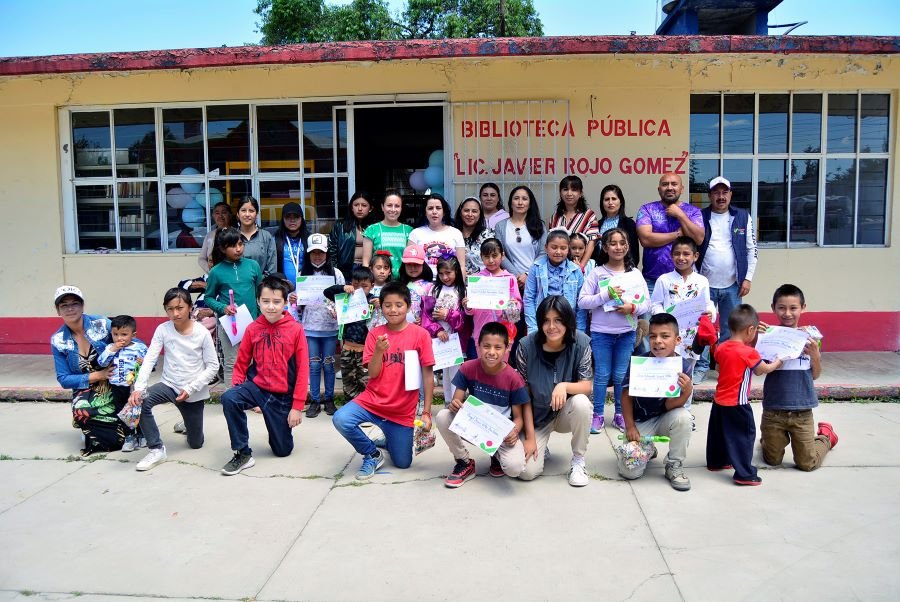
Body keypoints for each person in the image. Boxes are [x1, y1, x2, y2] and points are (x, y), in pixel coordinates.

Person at [332, 281, 436, 480]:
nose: (393, 310)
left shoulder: (420, 335)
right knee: (341, 419)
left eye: (399, 305)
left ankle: (389, 439)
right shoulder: (375, 334)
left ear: (408, 306)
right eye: (388, 305)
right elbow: (372, 373)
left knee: (403, 463)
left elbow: (428, 375)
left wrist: (426, 412)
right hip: (372, 402)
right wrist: (379, 351)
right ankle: (372, 454)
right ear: (381, 306)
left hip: (402, 410)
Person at [219, 275, 310, 475]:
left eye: (277, 302)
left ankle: (279, 429)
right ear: (258, 301)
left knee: (282, 450)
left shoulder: (296, 330)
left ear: (285, 303)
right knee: (229, 398)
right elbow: (241, 363)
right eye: (266, 301)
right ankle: (242, 453)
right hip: (257, 388)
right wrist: (239, 389)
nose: (271, 307)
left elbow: (303, 370)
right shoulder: (252, 329)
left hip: (282, 396)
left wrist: (297, 407)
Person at [129, 288, 219, 472]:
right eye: (170, 309)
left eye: (180, 308)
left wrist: (192, 388)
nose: (175, 313)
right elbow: (149, 359)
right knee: (141, 402)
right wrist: (138, 388)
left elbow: (213, 366)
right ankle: (156, 449)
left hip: (191, 391)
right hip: (169, 385)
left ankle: (187, 422)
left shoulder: (201, 332)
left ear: (190, 308)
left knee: (196, 443)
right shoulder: (163, 329)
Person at [435, 322, 532, 487]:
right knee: (444, 416)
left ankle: (497, 456)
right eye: (486, 346)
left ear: (507, 348)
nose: (491, 352)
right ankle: (464, 461)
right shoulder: (468, 368)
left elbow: (518, 417)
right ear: (478, 345)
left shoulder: (513, 378)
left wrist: (514, 431)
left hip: (500, 432)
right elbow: (456, 401)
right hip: (476, 425)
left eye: (497, 347)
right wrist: (455, 404)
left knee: (515, 468)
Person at [578, 228, 650, 433]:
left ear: (627, 247)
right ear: (605, 247)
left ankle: (620, 414)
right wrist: (604, 296)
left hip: (627, 332)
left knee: (621, 375)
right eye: (613, 243)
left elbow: (647, 303)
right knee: (601, 374)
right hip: (601, 333)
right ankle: (598, 415)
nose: (618, 247)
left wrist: (633, 308)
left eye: (622, 243)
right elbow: (582, 302)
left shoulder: (635, 274)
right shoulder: (597, 272)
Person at [516, 296, 593, 487]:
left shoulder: (581, 342)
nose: (552, 327)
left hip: (565, 412)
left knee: (582, 403)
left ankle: (578, 461)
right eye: (546, 321)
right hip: (537, 416)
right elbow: (522, 394)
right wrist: (531, 437)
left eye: (558, 320)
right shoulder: (526, 346)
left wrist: (564, 386)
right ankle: (543, 447)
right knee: (525, 472)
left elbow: (587, 385)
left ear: (568, 321)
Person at [760, 284, 838, 471]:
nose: (787, 313)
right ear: (773, 308)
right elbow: (761, 369)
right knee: (772, 460)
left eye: (793, 308)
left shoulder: (811, 337)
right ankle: (768, 438)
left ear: (803, 307)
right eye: (782, 308)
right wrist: (757, 338)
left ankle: (826, 436)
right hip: (774, 410)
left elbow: (815, 375)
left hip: (802, 411)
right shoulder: (768, 336)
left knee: (807, 464)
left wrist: (815, 356)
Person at [694, 176, 759, 383]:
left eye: (725, 192)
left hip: (733, 284)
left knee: (731, 327)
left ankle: (725, 364)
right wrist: (695, 280)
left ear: (730, 194)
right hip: (705, 283)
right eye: (716, 192)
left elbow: (752, 250)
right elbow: (693, 249)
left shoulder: (742, 216)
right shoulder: (700, 216)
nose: (720, 197)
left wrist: (747, 278)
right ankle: (701, 366)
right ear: (709, 196)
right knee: (703, 327)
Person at [708, 304, 782, 486]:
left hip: (719, 401)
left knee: (718, 434)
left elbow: (719, 366)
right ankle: (744, 474)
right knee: (743, 437)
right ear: (750, 330)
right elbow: (762, 370)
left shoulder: (722, 347)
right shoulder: (749, 352)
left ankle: (717, 462)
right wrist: (779, 361)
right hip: (738, 403)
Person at [618, 313, 694, 491]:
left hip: (665, 418)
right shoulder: (639, 363)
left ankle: (674, 464)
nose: (658, 341)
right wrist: (629, 426)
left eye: (665, 336)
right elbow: (626, 395)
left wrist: (687, 392)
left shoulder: (683, 366)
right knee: (630, 472)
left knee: (684, 417)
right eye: (653, 336)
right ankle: (648, 449)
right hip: (640, 422)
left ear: (677, 340)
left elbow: (670, 405)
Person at [649, 236, 716, 418]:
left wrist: (711, 312)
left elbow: (708, 303)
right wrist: (664, 317)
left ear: (695, 256)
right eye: (677, 254)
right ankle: (661, 411)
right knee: (666, 373)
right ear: (671, 256)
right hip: (669, 337)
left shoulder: (701, 281)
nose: (681, 257)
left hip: (691, 338)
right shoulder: (664, 280)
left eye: (686, 254)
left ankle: (686, 414)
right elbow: (654, 304)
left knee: (687, 376)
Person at [50, 285, 121, 456]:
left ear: (82, 306)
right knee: (82, 414)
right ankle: (116, 434)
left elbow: (129, 339)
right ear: (58, 310)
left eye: (74, 303)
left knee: (130, 410)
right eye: (64, 305)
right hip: (88, 387)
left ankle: (113, 431)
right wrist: (98, 375)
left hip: (114, 381)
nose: (70, 308)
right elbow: (64, 379)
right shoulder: (59, 340)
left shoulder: (101, 324)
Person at [204, 227, 263, 388]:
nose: (238, 249)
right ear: (223, 249)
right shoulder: (216, 272)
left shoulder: (253, 266)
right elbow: (208, 298)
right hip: (229, 324)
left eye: (240, 244)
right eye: (232, 246)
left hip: (253, 323)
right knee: (232, 364)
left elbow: (261, 294)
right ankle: (233, 400)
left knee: (253, 363)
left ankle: (251, 398)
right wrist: (223, 308)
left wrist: (260, 319)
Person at [297, 233, 344, 418]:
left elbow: (343, 298)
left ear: (327, 253)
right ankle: (315, 400)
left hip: (330, 328)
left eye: (321, 252)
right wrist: (294, 298)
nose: (317, 256)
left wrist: (338, 308)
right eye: (314, 252)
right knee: (314, 365)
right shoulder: (302, 274)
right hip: (310, 328)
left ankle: (329, 399)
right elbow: (298, 302)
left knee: (329, 364)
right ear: (308, 254)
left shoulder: (336, 273)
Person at [635, 173, 705, 293]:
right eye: (665, 184)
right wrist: (677, 234)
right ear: (659, 189)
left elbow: (698, 239)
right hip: (652, 281)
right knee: (653, 312)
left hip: (685, 282)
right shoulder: (647, 209)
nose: (669, 188)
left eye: (674, 184)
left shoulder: (693, 211)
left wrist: (680, 214)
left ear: (682, 189)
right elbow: (646, 239)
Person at [323, 266, 376, 401]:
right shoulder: (345, 297)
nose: (359, 289)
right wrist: (343, 288)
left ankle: (367, 410)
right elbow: (327, 292)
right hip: (347, 349)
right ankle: (349, 410)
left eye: (364, 286)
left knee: (366, 382)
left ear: (372, 286)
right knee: (348, 382)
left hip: (365, 352)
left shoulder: (373, 301)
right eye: (355, 285)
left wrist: (381, 303)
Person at [97, 314, 148, 451]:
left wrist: (143, 363)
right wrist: (113, 350)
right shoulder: (110, 348)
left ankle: (143, 435)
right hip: (118, 386)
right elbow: (101, 362)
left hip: (135, 387)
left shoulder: (139, 348)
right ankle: (129, 437)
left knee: (139, 410)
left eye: (124, 334)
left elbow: (150, 365)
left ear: (133, 334)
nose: (119, 338)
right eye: (115, 334)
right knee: (122, 411)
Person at [466, 238, 522, 360]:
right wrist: (468, 306)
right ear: (481, 257)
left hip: (505, 332)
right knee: (483, 368)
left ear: (503, 255)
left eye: (494, 256)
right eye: (486, 256)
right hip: (481, 331)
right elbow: (471, 311)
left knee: (502, 369)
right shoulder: (476, 279)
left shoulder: (510, 278)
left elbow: (518, 305)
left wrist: (513, 306)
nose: (491, 260)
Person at [422, 255, 467, 404]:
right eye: (441, 273)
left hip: (456, 337)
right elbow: (426, 316)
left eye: (448, 273)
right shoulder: (433, 290)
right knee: (445, 371)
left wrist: (448, 316)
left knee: (455, 371)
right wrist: (437, 330)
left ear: (456, 272)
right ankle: (448, 402)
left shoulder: (463, 291)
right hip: (440, 337)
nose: (445, 277)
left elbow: (465, 318)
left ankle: (455, 401)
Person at [524, 229, 587, 333]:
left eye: (563, 248)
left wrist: (579, 330)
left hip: (567, 322)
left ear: (568, 250)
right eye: (554, 247)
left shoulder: (575, 271)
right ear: (546, 248)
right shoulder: (536, 267)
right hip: (543, 320)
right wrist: (533, 328)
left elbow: (581, 303)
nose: (558, 252)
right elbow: (529, 298)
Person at [495, 185, 547, 294]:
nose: (520, 202)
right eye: (516, 198)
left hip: (536, 279)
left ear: (530, 203)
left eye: (524, 199)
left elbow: (543, 253)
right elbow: (500, 254)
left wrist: (528, 274)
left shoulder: (539, 225)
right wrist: (517, 276)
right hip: (511, 281)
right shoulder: (500, 226)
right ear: (510, 202)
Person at [409, 193, 467, 279]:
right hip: (423, 283)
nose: (434, 212)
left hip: (449, 283)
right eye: (430, 208)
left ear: (444, 212)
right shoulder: (415, 234)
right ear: (425, 212)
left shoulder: (456, 233)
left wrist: (458, 287)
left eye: (438, 208)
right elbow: (410, 264)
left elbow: (461, 265)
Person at [548, 176, 600, 271]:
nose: (569, 193)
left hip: (580, 267)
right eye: (565, 189)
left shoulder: (589, 215)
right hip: (557, 268)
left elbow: (591, 244)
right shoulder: (555, 217)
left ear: (580, 193)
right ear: (560, 193)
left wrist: (581, 267)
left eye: (574, 190)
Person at [362, 188, 413, 279]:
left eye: (397, 206)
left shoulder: (409, 231)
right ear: (382, 207)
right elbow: (366, 263)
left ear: (401, 208)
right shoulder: (371, 230)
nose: (393, 209)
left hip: (403, 284)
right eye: (389, 205)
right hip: (378, 284)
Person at [328, 190, 375, 279]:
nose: (360, 208)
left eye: (364, 205)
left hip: (369, 269)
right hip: (346, 270)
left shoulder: (375, 227)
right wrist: (334, 271)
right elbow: (332, 250)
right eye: (356, 205)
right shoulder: (340, 226)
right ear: (351, 207)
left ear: (370, 208)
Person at [595, 184, 640, 268]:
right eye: (606, 199)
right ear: (602, 203)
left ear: (621, 201)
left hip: (623, 272)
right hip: (600, 271)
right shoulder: (597, 224)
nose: (610, 202)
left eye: (614, 199)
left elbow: (634, 253)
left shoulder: (629, 224)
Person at [269, 201, 309, 288]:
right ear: (283, 219)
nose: (292, 220)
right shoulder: (275, 240)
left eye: (296, 217)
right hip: (283, 290)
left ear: (302, 219)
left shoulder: (308, 239)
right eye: (288, 217)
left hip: (306, 289)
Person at [235, 195, 277, 277]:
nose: (247, 214)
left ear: (257, 214)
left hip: (262, 286)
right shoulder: (232, 237)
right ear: (237, 214)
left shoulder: (266, 236)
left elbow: (272, 268)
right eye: (243, 210)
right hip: (237, 286)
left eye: (251, 211)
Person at [453, 195, 495, 276]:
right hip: (455, 282)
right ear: (460, 212)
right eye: (466, 210)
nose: (470, 214)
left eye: (474, 211)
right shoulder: (452, 234)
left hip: (482, 282)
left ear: (480, 214)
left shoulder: (488, 236)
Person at [398, 244, 434, 326]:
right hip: (402, 327)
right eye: (409, 264)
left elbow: (431, 311)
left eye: (416, 264)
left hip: (422, 328)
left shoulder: (430, 287)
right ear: (404, 266)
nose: (413, 268)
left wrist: (424, 320)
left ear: (423, 264)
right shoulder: (399, 286)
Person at [198, 201, 233, 274]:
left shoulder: (236, 234)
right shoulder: (209, 235)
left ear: (230, 215)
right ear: (213, 216)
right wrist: (211, 271)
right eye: (217, 213)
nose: (220, 216)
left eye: (224, 212)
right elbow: (201, 258)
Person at [367, 251, 393, 329]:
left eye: (386, 268)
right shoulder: (365, 288)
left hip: (388, 328)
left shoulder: (392, 289)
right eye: (378, 268)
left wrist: (383, 303)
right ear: (371, 269)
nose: (382, 271)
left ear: (390, 271)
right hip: (367, 330)